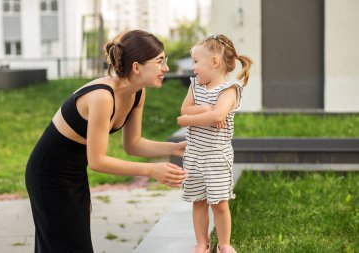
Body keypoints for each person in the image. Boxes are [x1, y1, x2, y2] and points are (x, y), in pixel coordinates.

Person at [25, 29, 187, 253]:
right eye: (160, 61)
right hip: (47, 173)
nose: (166, 68)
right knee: (65, 245)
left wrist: (174, 148)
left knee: (73, 243)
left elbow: (133, 144)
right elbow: (98, 160)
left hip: (74, 172)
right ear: (136, 67)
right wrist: (152, 170)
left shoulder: (137, 93)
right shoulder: (102, 96)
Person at [177, 35, 252, 253]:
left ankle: (224, 244)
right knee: (198, 201)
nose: (193, 68)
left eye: (196, 62)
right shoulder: (194, 85)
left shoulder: (230, 89)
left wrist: (188, 120)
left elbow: (218, 116)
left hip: (216, 157)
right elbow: (185, 110)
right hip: (194, 154)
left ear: (214, 62)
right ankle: (202, 243)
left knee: (219, 203)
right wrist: (205, 110)